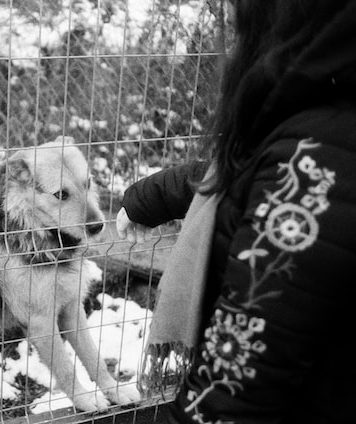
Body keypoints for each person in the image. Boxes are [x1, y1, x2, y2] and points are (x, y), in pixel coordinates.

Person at [116, 1, 356, 423]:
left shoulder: (317, 156)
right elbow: (242, 181)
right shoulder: (324, 129)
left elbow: (229, 399)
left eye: (240, 23)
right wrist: (152, 196)